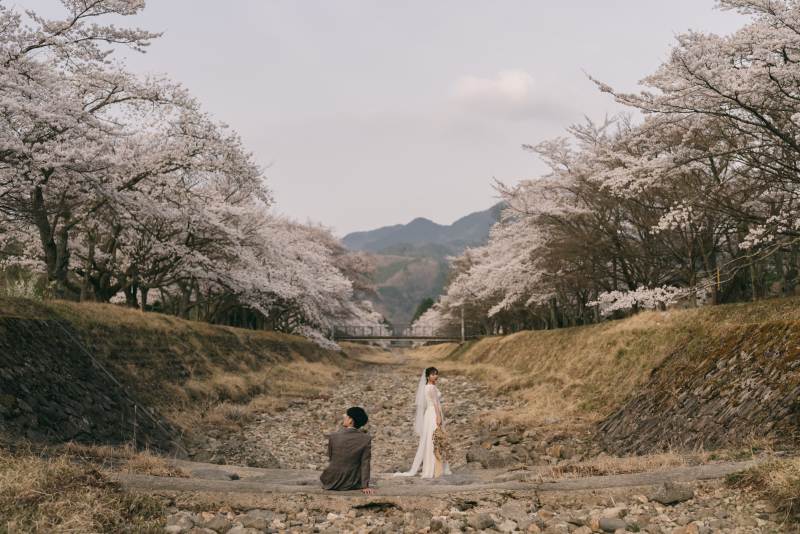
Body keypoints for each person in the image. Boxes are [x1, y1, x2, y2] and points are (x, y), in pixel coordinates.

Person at [393, 367, 451, 478]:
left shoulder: (426, 387)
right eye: (433, 374)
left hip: (429, 414)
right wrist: (438, 417)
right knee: (435, 439)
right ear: (428, 376)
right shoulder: (432, 387)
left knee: (431, 439)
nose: (435, 376)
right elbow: (435, 403)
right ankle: (435, 469)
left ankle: (432, 468)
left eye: (436, 374)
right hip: (434, 413)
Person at [320, 406, 374, 494]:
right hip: (351, 482)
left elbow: (331, 458)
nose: (345, 418)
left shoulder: (333, 436)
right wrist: (365, 486)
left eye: (347, 416)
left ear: (350, 420)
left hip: (330, 480)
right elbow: (365, 462)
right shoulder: (366, 439)